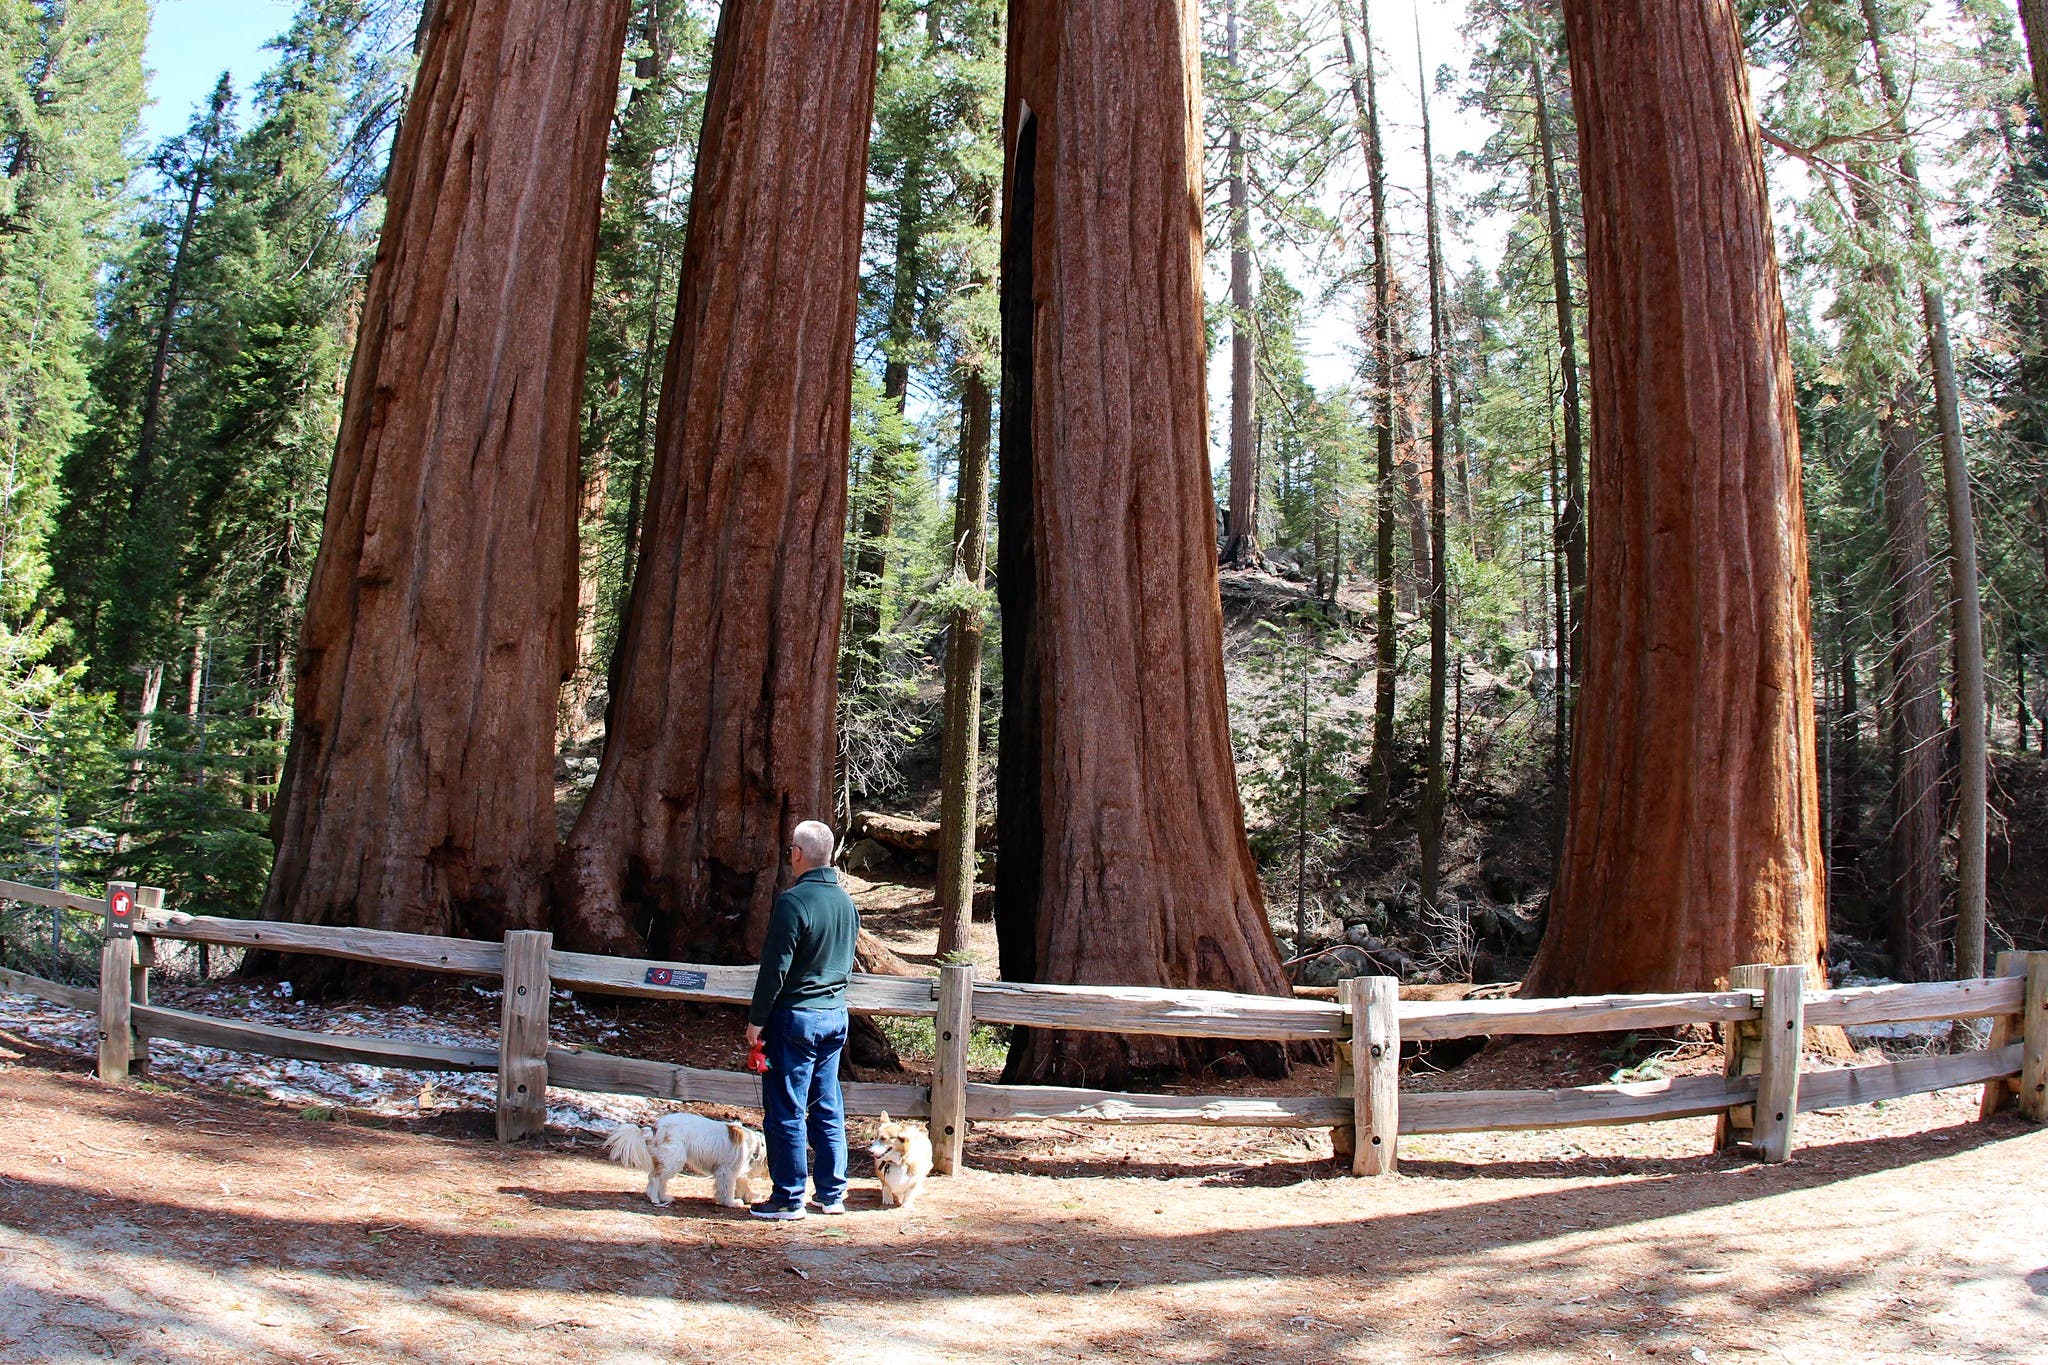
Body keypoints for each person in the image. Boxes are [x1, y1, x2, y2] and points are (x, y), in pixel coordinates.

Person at [746, 819, 859, 1220]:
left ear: (797, 853)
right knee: (827, 1104)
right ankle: (832, 1194)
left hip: (796, 1018)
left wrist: (757, 1019)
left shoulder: (793, 902)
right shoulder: (846, 903)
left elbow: (774, 967)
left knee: (786, 1107)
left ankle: (789, 1196)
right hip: (835, 1016)